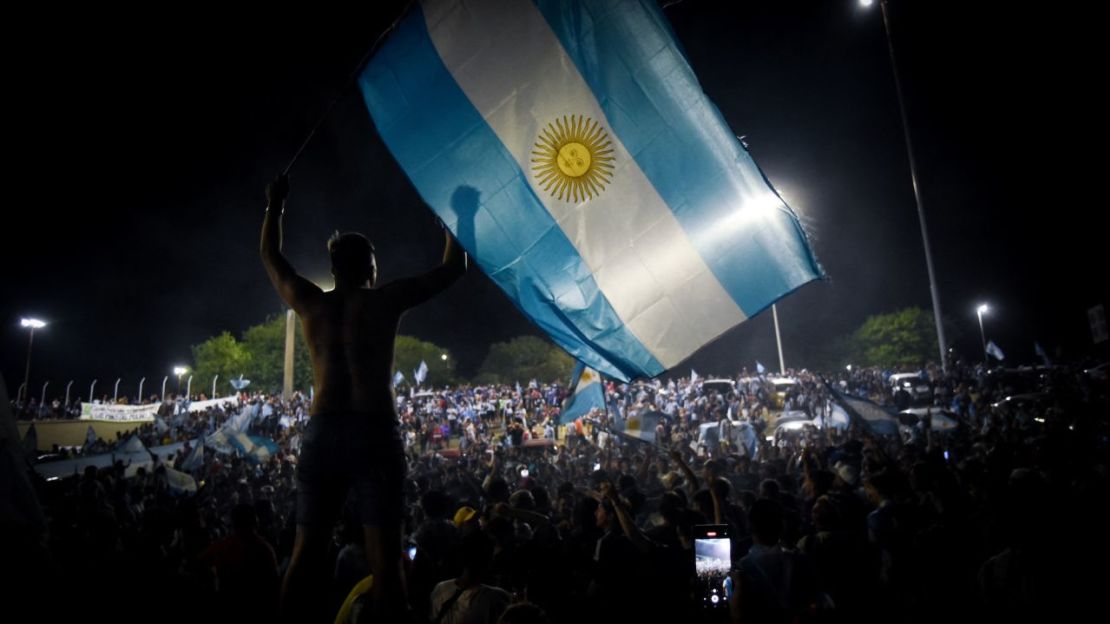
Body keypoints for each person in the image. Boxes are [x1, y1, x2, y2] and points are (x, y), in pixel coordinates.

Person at [262, 174, 466, 621]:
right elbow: (453, 269)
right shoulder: (384, 302)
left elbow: (271, 256)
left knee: (306, 554)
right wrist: (456, 221)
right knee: (385, 561)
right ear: (369, 267)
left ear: (334, 268)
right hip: (374, 431)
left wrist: (275, 205)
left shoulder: (311, 304)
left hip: (323, 430)